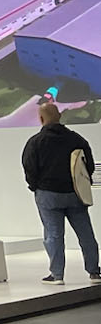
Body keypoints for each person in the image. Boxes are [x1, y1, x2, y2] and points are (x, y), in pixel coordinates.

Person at [22, 99, 98, 284]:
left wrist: (35, 186)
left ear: (41, 119)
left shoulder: (35, 142)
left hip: (48, 194)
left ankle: (57, 275)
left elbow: (29, 168)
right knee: (85, 234)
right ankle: (94, 271)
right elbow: (88, 166)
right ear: (60, 116)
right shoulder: (76, 139)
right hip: (74, 193)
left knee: (54, 235)